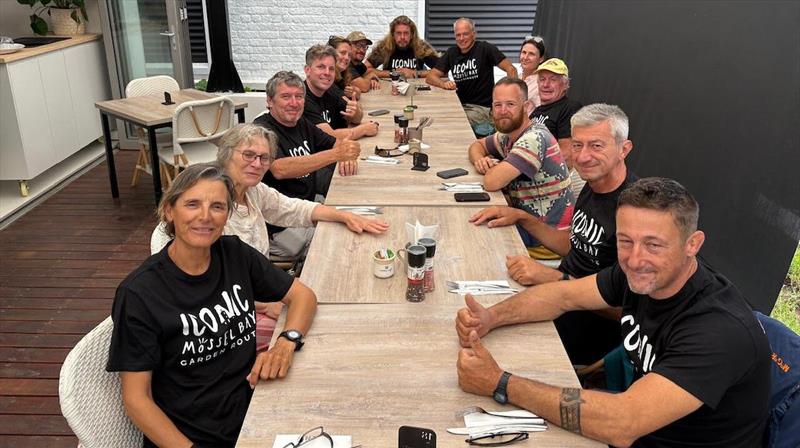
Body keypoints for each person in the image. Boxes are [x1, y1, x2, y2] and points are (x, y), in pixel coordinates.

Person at [456, 177, 770, 448]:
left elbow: (623, 423)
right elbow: (564, 296)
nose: (635, 259)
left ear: (692, 244)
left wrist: (499, 382)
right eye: (625, 241)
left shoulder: (719, 331)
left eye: (653, 245)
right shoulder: (639, 275)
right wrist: (491, 317)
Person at [107, 163, 318, 448]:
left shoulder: (234, 253)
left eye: (217, 206)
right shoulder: (140, 294)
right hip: (195, 437)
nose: (205, 217)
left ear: (227, 214)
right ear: (170, 210)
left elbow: (303, 296)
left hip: (256, 412)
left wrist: (285, 342)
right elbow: (136, 400)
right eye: (192, 204)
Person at [150, 124, 390, 348]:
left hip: (262, 289)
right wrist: (267, 305)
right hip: (230, 318)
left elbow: (293, 209)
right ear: (226, 154)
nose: (257, 163)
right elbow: (210, 288)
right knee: (323, 335)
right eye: (249, 155)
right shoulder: (212, 216)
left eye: (264, 158)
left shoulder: (253, 191)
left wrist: (343, 216)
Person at [470, 103, 637, 365]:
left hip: (581, 333)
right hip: (554, 298)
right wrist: (523, 218)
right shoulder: (593, 187)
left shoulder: (634, 213)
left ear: (623, 149)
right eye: (577, 145)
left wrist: (555, 278)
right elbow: (574, 247)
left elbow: (627, 312)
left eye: (596, 145)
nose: (582, 157)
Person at [467, 77, 573, 257]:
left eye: (510, 104)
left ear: (525, 107)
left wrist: (493, 167)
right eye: (497, 105)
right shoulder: (509, 135)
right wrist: (480, 160)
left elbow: (492, 182)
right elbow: (477, 145)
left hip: (545, 240)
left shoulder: (534, 138)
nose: (503, 111)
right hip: (528, 224)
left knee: (471, 237)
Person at [254, 70, 361, 205]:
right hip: (282, 218)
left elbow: (333, 142)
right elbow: (280, 169)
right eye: (286, 97)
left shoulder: (301, 122)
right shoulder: (261, 130)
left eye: (299, 96)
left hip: (307, 206)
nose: (294, 103)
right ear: (270, 101)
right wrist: (337, 155)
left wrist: (346, 157)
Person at [426, 18, 517, 130]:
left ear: (474, 34)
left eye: (465, 34)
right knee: (435, 116)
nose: (461, 38)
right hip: (459, 105)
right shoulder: (452, 53)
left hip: (482, 108)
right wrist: (443, 84)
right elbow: (431, 76)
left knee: (451, 122)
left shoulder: (485, 49)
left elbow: (511, 69)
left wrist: (509, 99)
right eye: (458, 35)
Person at [529, 58, 585, 198]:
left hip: (555, 184)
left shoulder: (570, 108)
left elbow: (566, 155)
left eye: (553, 80)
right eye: (542, 79)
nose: (546, 84)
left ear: (565, 85)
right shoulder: (537, 112)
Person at [302, 44, 379, 140]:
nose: (327, 73)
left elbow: (357, 117)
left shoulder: (331, 89)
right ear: (307, 70)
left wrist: (355, 112)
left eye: (331, 69)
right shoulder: (301, 98)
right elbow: (328, 136)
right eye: (321, 67)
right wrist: (363, 130)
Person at [366, 15, 439, 79]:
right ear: (393, 35)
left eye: (406, 33)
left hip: (416, 89)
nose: (402, 37)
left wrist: (415, 73)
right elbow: (365, 69)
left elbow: (442, 71)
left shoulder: (421, 47)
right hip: (390, 89)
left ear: (412, 35)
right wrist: (392, 74)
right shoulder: (385, 47)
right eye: (398, 33)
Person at [518, 36, 546, 113]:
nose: (526, 57)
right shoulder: (516, 77)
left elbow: (543, 112)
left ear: (541, 59)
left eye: (531, 54)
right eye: (524, 52)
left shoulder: (542, 83)